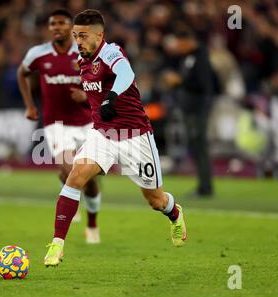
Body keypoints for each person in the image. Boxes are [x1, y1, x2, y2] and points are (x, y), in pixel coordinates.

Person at [44, 9, 187, 267]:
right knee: (75, 176)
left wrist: (112, 97)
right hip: (104, 135)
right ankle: (57, 244)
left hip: (136, 137)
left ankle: (175, 214)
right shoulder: (82, 60)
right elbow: (95, 97)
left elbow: (126, 75)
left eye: (84, 36)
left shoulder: (111, 52)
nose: (78, 41)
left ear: (100, 36)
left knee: (155, 200)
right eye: (75, 35)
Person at [17, 9, 102, 244]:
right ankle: (66, 182)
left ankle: (92, 223)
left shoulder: (85, 51)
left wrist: (86, 96)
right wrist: (29, 106)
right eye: (52, 24)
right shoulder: (39, 53)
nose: (56, 27)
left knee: (91, 179)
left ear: (71, 28)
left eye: (61, 23)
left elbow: (104, 80)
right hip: (57, 125)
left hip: (87, 124)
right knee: (71, 170)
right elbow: (21, 73)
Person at [163, 24, 214, 198]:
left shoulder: (200, 57)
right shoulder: (188, 57)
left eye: (180, 43)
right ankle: (203, 185)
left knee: (200, 145)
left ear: (187, 41)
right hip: (189, 107)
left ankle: (206, 187)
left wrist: (179, 81)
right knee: (195, 146)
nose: (178, 46)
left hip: (198, 108)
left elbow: (203, 85)